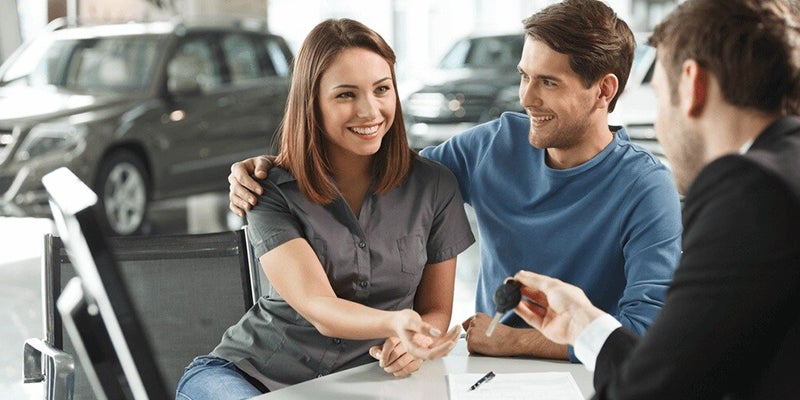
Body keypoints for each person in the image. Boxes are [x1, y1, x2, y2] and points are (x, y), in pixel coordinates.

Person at [227, 0, 683, 362]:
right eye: (524, 76)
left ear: (604, 90)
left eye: (548, 82)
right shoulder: (491, 146)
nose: (526, 97)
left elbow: (644, 334)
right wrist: (275, 166)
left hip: (590, 380)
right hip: (488, 374)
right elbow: (382, 168)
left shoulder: (646, 188)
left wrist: (513, 341)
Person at [511, 0, 800, 398]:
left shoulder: (750, 191)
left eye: (660, 96)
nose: (661, 125)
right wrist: (583, 325)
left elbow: (655, 391)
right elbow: (690, 365)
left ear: (691, 84)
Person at [176, 18, 474, 399]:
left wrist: (414, 344)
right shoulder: (269, 189)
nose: (370, 111)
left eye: (382, 89)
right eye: (346, 95)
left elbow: (435, 309)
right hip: (247, 377)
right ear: (312, 102)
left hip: (360, 384)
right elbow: (318, 306)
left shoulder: (434, 185)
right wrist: (396, 322)